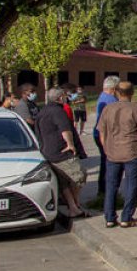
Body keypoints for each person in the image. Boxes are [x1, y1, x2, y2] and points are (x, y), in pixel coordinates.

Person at [96, 81, 137, 228]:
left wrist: (106, 148)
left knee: (111, 185)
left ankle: (109, 217)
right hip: (132, 151)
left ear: (116, 92)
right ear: (132, 93)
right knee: (131, 185)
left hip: (112, 152)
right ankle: (126, 217)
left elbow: (101, 132)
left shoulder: (107, 109)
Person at [34, 88, 88, 218]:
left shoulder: (43, 111)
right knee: (79, 176)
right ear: (60, 98)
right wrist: (70, 144)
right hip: (61, 152)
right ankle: (75, 203)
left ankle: (73, 208)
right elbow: (65, 129)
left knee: (64, 182)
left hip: (47, 152)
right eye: (64, 96)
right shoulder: (58, 111)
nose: (66, 98)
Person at [93, 76, 120, 197]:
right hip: (107, 135)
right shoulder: (111, 100)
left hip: (98, 133)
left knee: (105, 162)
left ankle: (103, 190)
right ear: (113, 88)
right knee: (110, 163)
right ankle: (107, 190)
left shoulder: (102, 96)